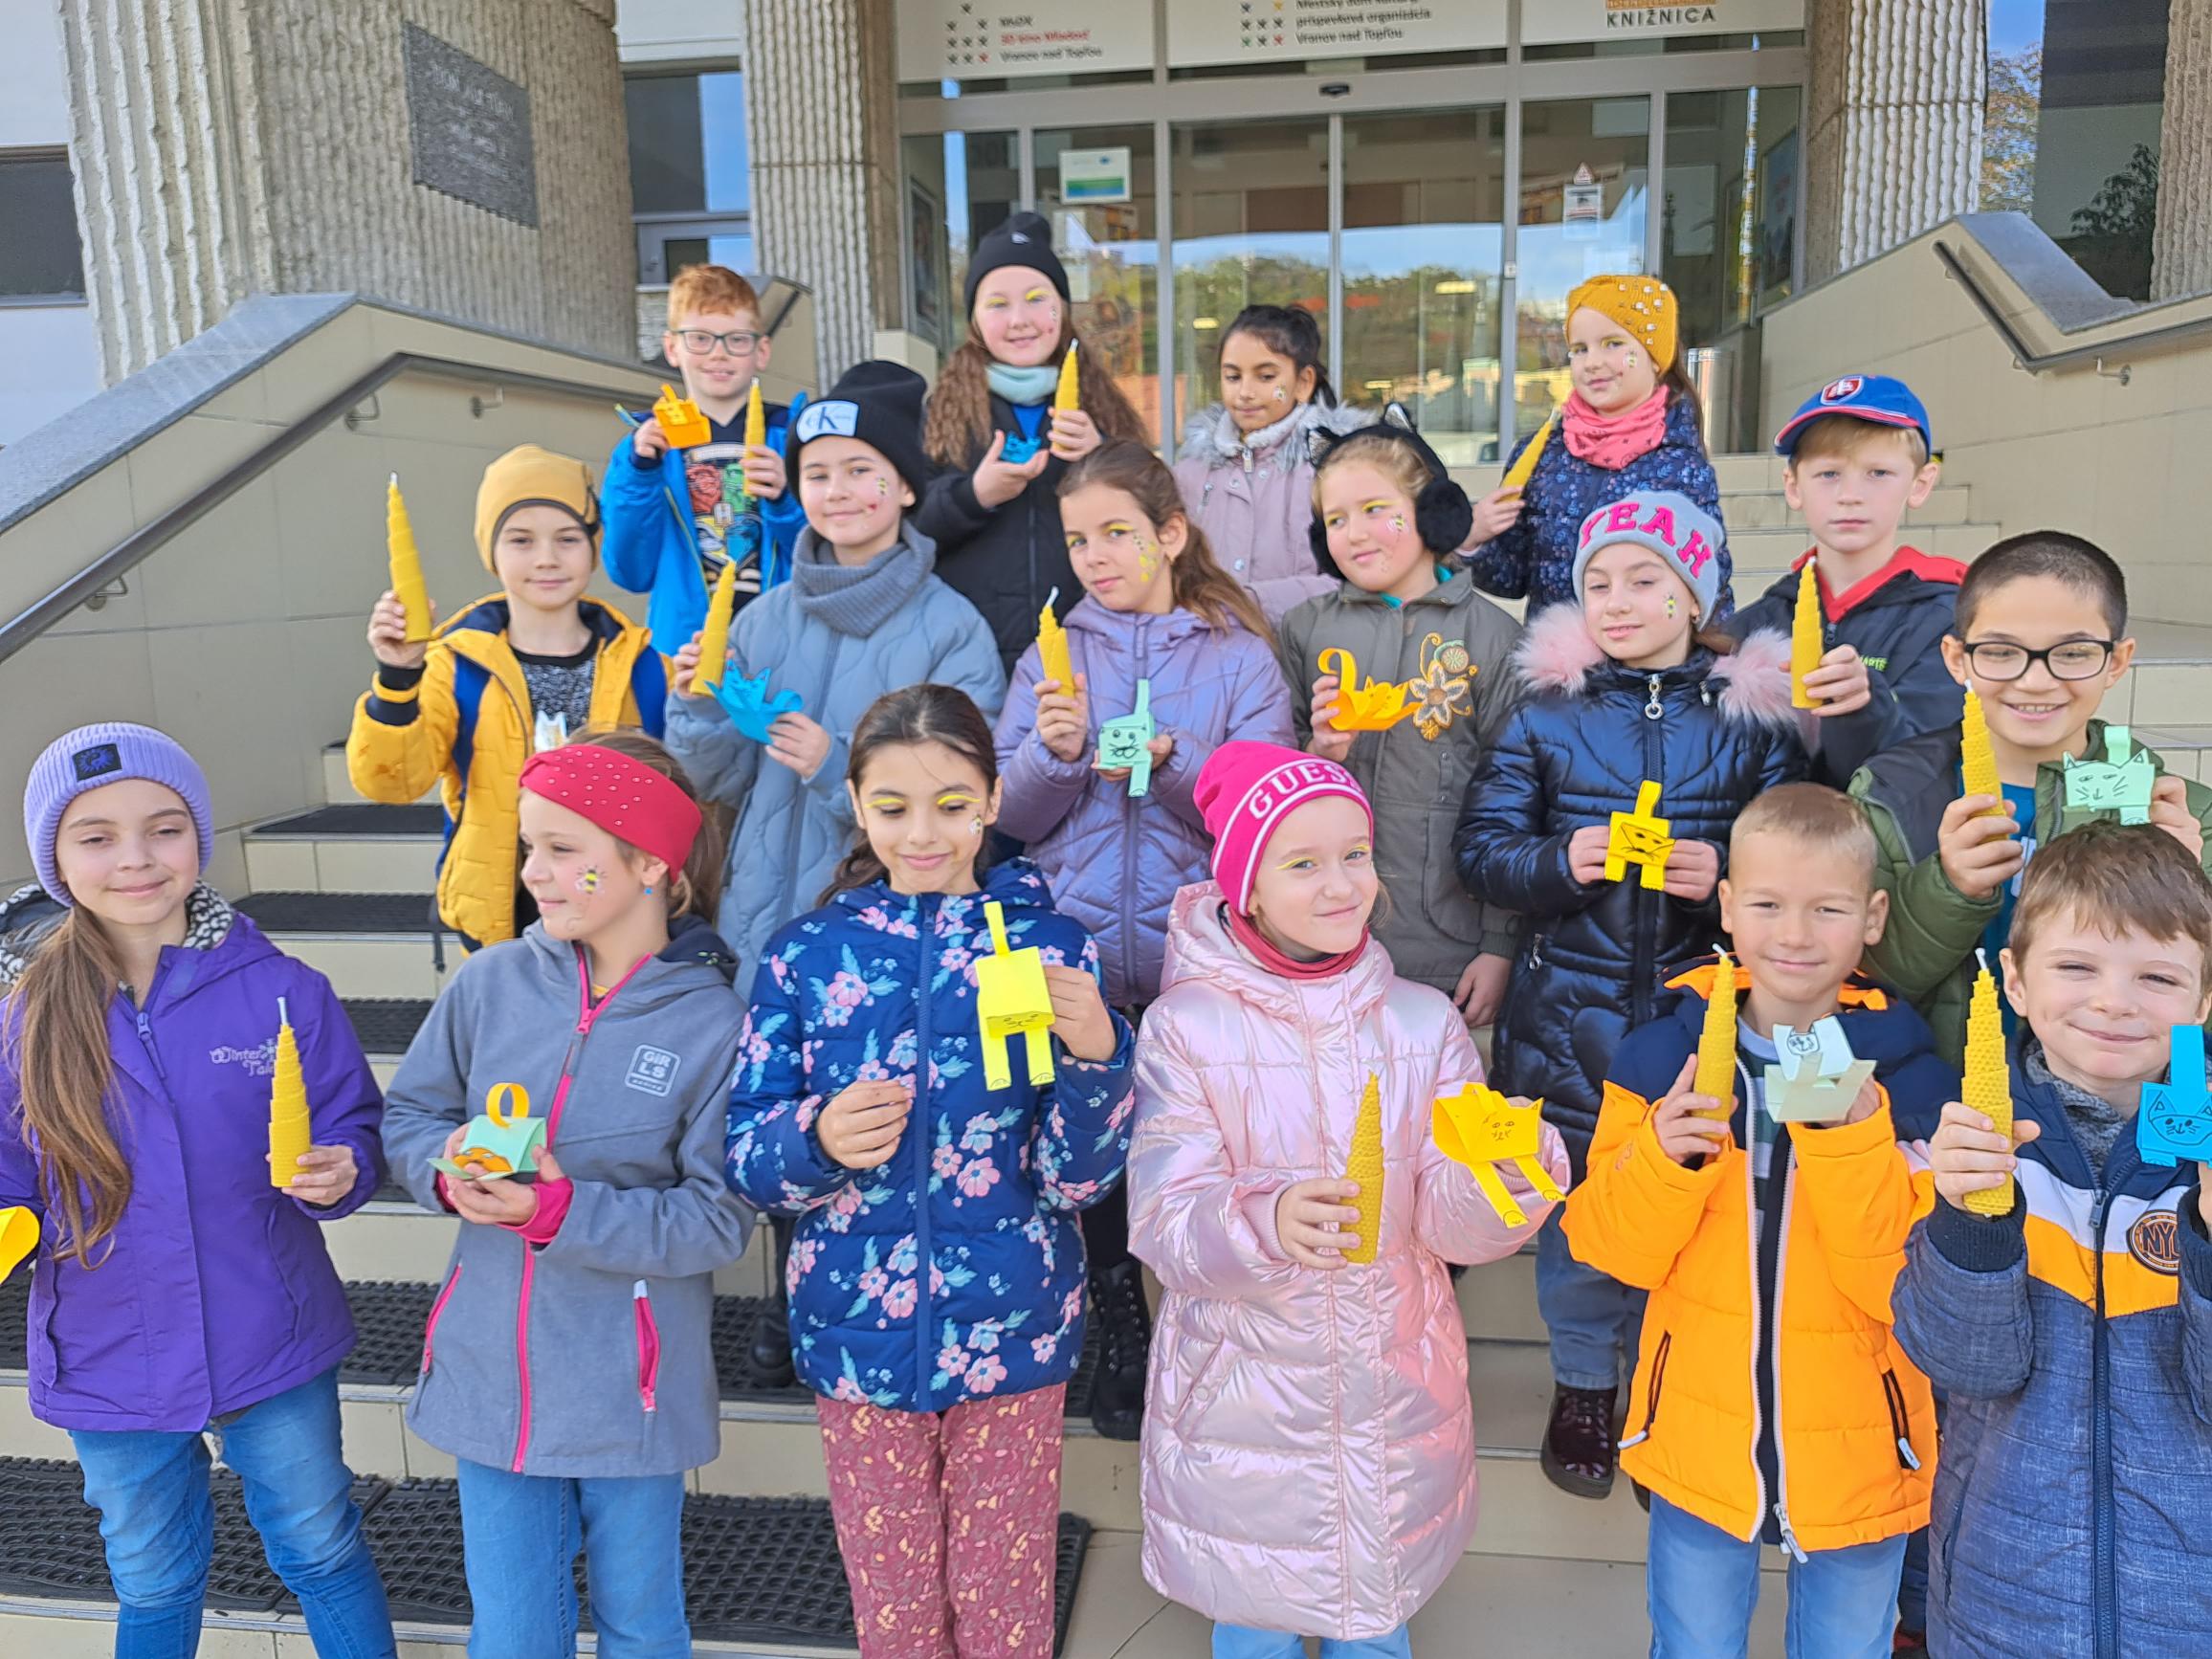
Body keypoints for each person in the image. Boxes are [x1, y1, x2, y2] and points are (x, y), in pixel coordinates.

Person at [1127, 741, 1567, 1654]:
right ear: (1245, 888)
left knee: (1377, 1612)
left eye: (1355, 854)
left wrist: (1507, 1180)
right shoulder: (1186, 1029)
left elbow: (1446, 1218)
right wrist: (1265, 1220)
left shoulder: (1423, 1021)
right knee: (1255, 1619)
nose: (1340, 884)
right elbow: (1165, 1217)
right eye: (1302, 863)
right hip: (1244, 1396)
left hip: (1390, 1388)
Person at [725, 685, 1135, 1659]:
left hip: (1012, 1329)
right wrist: (817, 1138)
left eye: (951, 805)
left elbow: (1078, 1184)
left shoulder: (1049, 950)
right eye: (892, 806)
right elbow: (746, 1159)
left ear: (991, 802)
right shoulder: (805, 956)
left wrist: (1098, 1057)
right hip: (854, 1338)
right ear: (855, 805)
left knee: (1003, 1613)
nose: (921, 833)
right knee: (897, 1618)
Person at [0, 723, 396, 1658]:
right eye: (96, 836)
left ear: (200, 837)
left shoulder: (284, 989)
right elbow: (12, 1167)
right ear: (55, 858)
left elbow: (352, 1125)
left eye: (165, 828)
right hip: (107, 1352)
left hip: (272, 1333)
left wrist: (344, 1168)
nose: (135, 858)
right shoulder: (23, 1016)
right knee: (152, 1575)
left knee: (320, 1545)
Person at [1455, 489, 1804, 1502]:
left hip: (1699, 1022)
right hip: (1566, 1018)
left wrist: (1727, 879)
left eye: (1644, 580)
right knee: (1577, 1223)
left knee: (1688, 1213)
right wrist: (1560, 861)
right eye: (1597, 582)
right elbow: (1482, 851)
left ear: (1695, 596)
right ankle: (1582, 1386)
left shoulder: (1750, 723)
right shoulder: (1546, 715)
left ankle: (1665, 1390)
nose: (1615, 600)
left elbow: (1793, 854)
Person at [663, 359, 1003, 1387]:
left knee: (889, 1101)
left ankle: (903, 1298)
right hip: (769, 911)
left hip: (892, 918)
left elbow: (963, 791)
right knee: (784, 1104)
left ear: (903, 486)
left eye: (862, 471)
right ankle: (788, 1294)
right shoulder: (763, 618)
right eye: (819, 473)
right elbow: (712, 777)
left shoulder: (950, 625)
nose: (840, 491)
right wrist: (696, 703)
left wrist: (831, 768)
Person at [380, 734, 754, 1659]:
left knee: (641, 1628)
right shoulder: (489, 982)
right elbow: (410, 1116)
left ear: (651, 864)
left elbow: (717, 1220)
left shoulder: (716, 1024)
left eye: (562, 849)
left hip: (631, 1390)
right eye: (529, 846)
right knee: (512, 1636)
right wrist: (443, 1166)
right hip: (488, 1378)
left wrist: (557, 1212)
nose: (533, 873)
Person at [1564, 784, 1958, 1656]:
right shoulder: (1661, 1060)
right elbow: (1609, 1248)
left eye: (1828, 909)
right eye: (1769, 905)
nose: (1795, 934)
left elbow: (1904, 1286)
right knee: (1694, 1643)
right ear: (1728, 908)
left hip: (1865, 1441)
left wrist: (1853, 1144)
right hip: (1698, 1434)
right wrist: (1661, 1161)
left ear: (1873, 917)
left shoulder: (1911, 1079)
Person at [991, 439, 1294, 1439]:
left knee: (1192, 1138)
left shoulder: (1236, 654)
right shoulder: (1050, 656)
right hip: (1074, 944)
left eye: (1116, 532)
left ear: (1169, 534)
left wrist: (1169, 759)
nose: (1095, 556)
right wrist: (1054, 754)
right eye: (1078, 539)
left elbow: (1263, 807)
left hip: (1192, 950)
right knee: (1085, 1140)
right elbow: (1009, 815)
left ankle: (1208, 1319)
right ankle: (1118, 1316)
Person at [1892, 822, 2212, 1656]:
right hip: (2002, 1603)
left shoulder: (2203, 1173)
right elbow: (1968, 1368)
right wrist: (1969, 1223)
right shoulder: (1971, 1149)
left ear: (2203, 1002)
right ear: (2016, 980)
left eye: (2157, 976)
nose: (2114, 1001)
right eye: (2077, 967)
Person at [1852, 531, 2212, 1064]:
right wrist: (1947, 889)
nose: (2036, 680)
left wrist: (2185, 890)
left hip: (2110, 1103)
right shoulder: (1889, 797)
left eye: (2073, 653)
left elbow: (2195, 1015)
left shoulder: (2186, 816)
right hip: (1934, 1095)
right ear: (1957, 658)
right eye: (2001, 652)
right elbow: (1858, 982)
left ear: (2117, 661)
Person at [347, 444, 667, 953]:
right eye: (520, 540)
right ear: (490, 551)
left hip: (618, 920)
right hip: (501, 923)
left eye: (568, 539)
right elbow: (393, 782)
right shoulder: (456, 665)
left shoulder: (643, 666)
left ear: (593, 547)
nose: (546, 558)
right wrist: (398, 678)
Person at [1275, 408, 1522, 1026]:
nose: (1354, 534)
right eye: (1336, 520)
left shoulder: (1493, 638)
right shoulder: (1304, 630)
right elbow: (1271, 785)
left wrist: (1500, 944)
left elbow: (1517, 799)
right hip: (1321, 944)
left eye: (1374, 510)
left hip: (1448, 947)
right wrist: (1319, 755)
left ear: (1433, 513)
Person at [916, 210, 1152, 673]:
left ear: (1062, 309)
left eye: (1036, 299)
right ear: (974, 320)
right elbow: (909, 527)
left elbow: (1151, 517)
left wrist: (1102, 456)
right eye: (997, 304)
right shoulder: (942, 410)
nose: (1019, 319)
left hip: (1091, 646)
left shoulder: (1101, 406)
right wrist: (974, 496)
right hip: (969, 653)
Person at [1730, 374, 1961, 785]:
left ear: (1920, 484)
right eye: (1829, 474)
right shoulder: (1757, 623)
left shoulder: (1947, 619)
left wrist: (1867, 708)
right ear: (1793, 486)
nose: (1850, 494)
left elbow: (1931, 761)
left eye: (1878, 473)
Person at [1464, 275, 1726, 618]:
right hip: (1554, 652)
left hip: (1644, 652)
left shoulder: (1682, 466)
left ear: (1654, 356)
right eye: (1580, 349)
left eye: (1613, 344)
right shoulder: (1540, 455)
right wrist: (1474, 539)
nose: (1592, 363)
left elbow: (1711, 587)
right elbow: (1511, 579)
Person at [602, 263, 805, 650]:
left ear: (762, 351)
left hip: (782, 646)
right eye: (699, 338)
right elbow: (630, 571)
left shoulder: (792, 440)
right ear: (671, 348)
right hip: (685, 649)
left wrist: (785, 500)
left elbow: (822, 561)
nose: (718, 353)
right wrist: (641, 474)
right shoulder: (644, 452)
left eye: (737, 340)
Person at [1170, 303, 1372, 622]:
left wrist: (1249, 603)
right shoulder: (1190, 472)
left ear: (1303, 383)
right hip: (1208, 644)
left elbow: (1360, 577)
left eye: (1265, 376)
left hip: (1310, 647)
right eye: (1232, 377)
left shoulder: (1338, 468)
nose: (1245, 392)